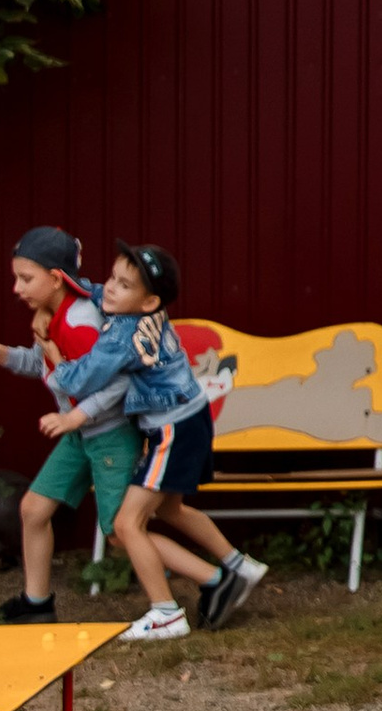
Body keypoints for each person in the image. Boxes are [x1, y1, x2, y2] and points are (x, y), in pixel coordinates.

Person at [43, 241, 267, 639]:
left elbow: (80, 380)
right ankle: (239, 565)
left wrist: (51, 352)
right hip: (192, 417)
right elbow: (97, 293)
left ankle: (165, 613)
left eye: (123, 285)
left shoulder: (121, 339)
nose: (110, 288)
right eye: (113, 277)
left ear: (149, 302)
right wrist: (74, 285)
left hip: (172, 430)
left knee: (127, 523)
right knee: (171, 510)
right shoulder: (142, 310)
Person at [0, 224, 136, 623]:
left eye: (26, 278)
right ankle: (36, 605)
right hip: (79, 433)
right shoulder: (51, 312)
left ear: (55, 278)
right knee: (34, 510)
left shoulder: (80, 322)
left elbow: (110, 385)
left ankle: (211, 577)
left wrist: (72, 413)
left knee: (121, 533)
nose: (17, 288)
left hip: (107, 433)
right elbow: (44, 362)